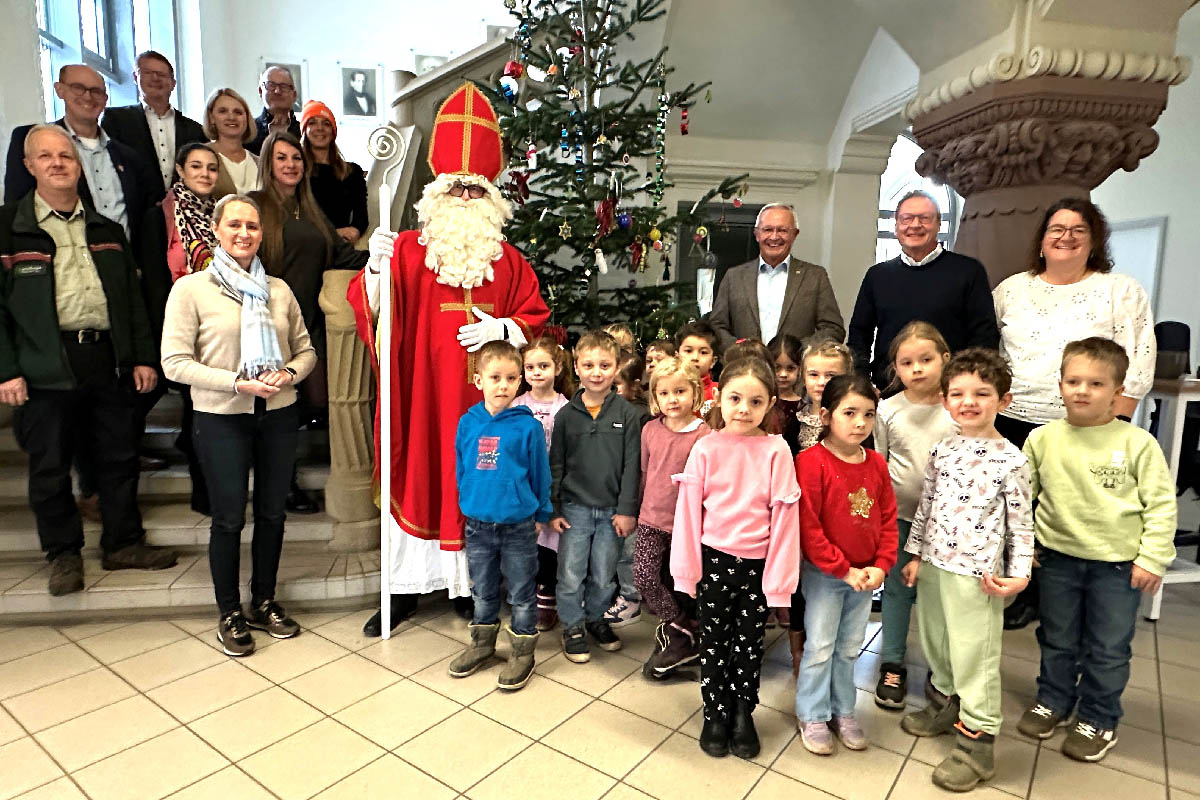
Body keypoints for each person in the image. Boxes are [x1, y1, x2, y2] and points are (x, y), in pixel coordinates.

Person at [347, 82, 549, 638]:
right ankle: (405, 590)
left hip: (484, 408)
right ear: (436, 190)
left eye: (474, 189)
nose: (464, 198)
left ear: (491, 197)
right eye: (455, 188)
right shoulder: (409, 249)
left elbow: (536, 316)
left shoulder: (507, 260)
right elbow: (373, 313)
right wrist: (374, 272)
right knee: (417, 472)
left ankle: (468, 588)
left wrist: (504, 327)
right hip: (421, 397)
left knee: (475, 486)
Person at [0, 124, 177, 595]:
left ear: (78, 166)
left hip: (105, 357)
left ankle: (123, 543)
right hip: (43, 365)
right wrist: (6, 370)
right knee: (50, 465)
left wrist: (141, 356)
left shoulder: (106, 229)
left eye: (66, 157)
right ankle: (62, 554)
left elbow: (132, 301)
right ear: (28, 165)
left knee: (118, 456)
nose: (58, 164)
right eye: (47, 157)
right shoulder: (8, 228)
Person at [161, 193, 316, 657]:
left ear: (260, 233)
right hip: (221, 417)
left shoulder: (280, 291)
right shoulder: (191, 290)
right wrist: (236, 382)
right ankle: (229, 611)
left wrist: (288, 373)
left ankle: (263, 600)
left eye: (252, 225)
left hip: (278, 416)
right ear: (217, 229)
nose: (244, 233)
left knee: (272, 514)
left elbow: (306, 351)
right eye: (234, 225)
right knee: (229, 519)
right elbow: (173, 363)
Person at [992, 198, 1156, 630]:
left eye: (1078, 229)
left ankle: (1056, 599)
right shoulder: (1011, 290)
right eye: (1056, 228)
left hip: (1086, 423)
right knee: (1015, 510)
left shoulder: (1120, 290)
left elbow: (1138, 357)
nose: (1066, 236)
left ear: (1094, 240)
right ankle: (1021, 589)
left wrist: (1117, 421)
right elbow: (990, 350)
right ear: (1042, 240)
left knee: (1067, 509)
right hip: (1013, 417)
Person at [1017, 338, 1176, 762]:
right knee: (1056, 637)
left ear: (1117, 391)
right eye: (1073, 381)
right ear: (1060, 384)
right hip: (1056, 559)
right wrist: (1024, 545)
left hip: (1117, 566)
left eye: (1095, 383)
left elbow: (1161, 506)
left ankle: (1099, 717)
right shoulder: (1042, 439)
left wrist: (1151, 558)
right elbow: (1021, 498)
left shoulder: (1138, 444)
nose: (1082, 390)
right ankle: (1053, 699)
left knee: (1106, 648)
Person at [899, 348, 1034, 793]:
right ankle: (944, 703)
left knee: (975, 655)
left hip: (978, 575)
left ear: (1004, 399)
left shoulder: (1011, 459)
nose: (968, 401)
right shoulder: (943, 449)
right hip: (936, 565)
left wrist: (1019, 573)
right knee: (937, 641)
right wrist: (916, 553)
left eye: (981, 392)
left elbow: (1020, 522)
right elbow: (927, 505)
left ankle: (977, 746)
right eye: (957, 393)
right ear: (944, 400)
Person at [671, 357, 801, 759]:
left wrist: (779, 583)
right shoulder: (706, 448)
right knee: (713, 642)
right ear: (718, 397)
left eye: (756, 401)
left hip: (758, 567)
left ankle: (744, 710)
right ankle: (716, 711)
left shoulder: (776, 450)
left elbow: (785, 518)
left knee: (749, 643)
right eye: (736, 399)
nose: (744, 409)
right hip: (714, 563)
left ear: (771, 404)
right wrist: (687, 572)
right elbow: (690, 513)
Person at [251, 130, 370, 509]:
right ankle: (279, 487)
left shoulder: (311, 209)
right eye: (281, 158)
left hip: (309, 320)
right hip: (268, 322)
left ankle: (282, 480)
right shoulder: (254, 206)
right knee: (277, 409)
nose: (290, 165)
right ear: (268, 162)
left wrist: (390, 255)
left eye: (296, 159)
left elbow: (342, 255)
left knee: (306, 403)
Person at [795, 373, 897, 756]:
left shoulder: (876, 463)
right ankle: (812, 712)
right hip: (826, 575)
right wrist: (843, 569)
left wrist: (882, 566)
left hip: (866, 576)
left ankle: (843, 709)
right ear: (826, 415)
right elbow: (810, 528)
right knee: (820, 646)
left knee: (850, 647)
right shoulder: (810, 463)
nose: (860, 423)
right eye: (849, 413)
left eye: (868, 415)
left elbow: (887, 519)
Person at [448, 340, 551, 690]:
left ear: (520, 381)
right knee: (483, 589)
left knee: (522, 591)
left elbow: (540, 473)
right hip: (477, 525)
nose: (503, 385)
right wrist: (468, 505)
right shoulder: (468, 423)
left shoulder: (528, 427)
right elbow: (462, 469)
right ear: (479, 381)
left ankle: (522, 650)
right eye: (495, 377)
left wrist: (542, 511)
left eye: (510, 378)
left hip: (519, 525)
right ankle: (481, 644)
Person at [870, 322, 956, 710]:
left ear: (945, 359)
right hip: (900, 518)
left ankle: (942, 672)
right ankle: (892, 662)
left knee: (940, 595)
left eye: (926, 359)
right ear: (895, 368)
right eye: (907, 362)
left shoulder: (958, 406)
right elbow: (880, 463)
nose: (917, 368)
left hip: (947, 523)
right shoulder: (888, 409)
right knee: (897, 591)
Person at [548, 330, 644, 661]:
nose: (596, 372)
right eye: (588, 364)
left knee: (604, 573)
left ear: (617, 367)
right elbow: (556, 465)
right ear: (576, 367)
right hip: (574, 509)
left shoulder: (628, 415)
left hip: (612, 511)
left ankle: (595, 619)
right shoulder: (565, 416)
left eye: (605, 364)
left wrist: (626, 509)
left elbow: (633, 466)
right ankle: (572, 624)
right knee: (571, 571)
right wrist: (555, 507)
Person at [138, 142, 221, 513]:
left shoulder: (220, 216)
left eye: (211, 168)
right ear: (180, 170)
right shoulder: (160, 218)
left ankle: (211, 490)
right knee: (195, 412)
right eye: (196, 166)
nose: (204, 174)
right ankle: (204, 495)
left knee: (208, 413)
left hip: (217, 327)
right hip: (180, 325)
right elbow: (155, 282)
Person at [847, 190, 999, 390]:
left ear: (938, 225)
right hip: (889, 389)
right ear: (896, 226)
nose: (915, 225)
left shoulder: (969, 271)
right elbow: (859, 334)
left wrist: (966, 384)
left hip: (949, 392)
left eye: (924, 218)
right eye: (907, 218)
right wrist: (862, 382)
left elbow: (984, 336)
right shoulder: (877, 275)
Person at [632, 356, 710, 678]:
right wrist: (636, 510)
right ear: (655, 397)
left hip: (686, 526)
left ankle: (684, 636)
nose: (672, 399)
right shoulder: (650, 430)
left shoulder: (704, 435)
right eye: (664, 393)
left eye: (680, 391)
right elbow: (643, 473)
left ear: (694, 392)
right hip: (651, 519)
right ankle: (678, 624)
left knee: (682, 582)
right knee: (645, 576)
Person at [786, 339, 854, 674]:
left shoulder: (852, 418)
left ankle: (831, 648)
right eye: (813, 373)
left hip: (838, 513)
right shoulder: (792, 415)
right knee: (798, 584)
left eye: (831, 374)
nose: (821, 381)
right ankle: (799, 651)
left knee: (831, 579)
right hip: (798, 512)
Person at [708, 203, 844, 354]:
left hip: (796, 372)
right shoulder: (734, 277)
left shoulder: (815, 277)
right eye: (767, 230)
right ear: (757, 234)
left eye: (782, 230)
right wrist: (741, 350)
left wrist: (794, 351)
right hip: (745, 371)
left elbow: (833, 329)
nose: (774, 237)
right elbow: (716, 327)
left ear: (795, 234)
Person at [513, 336, 574, 631]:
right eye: (530, 367)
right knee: (529, 543)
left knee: (551, 544)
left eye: (543, 366)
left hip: (554, 486)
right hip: (526, 487)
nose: (536, 372)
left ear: (558, 367)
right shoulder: (517, 405)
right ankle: (527, 592)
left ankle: (548, 593)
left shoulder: (567, 408)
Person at [101, 50, 207, 192]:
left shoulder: (195, 129)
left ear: (173, 83)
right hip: (133, 210)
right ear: (135, 77)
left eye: (162, 75)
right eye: (148, 73)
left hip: (181, 208)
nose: (155, 78)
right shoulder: (116, 119)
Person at [300, 100, 368, 245]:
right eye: (312, 123)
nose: (320, 128)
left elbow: (361, 215)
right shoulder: (296, 171)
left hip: (341, 245)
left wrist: (355, 230)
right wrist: (333, 233)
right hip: (308, 246)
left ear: (333, 131)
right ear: (304, 130)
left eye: (326, 123)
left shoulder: (352, 172)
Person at [204, 88, 259, 199]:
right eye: (223, 111)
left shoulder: (260, 162)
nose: (231, 117)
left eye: (238, 112)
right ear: (211, 117)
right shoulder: (200, 157)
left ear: (247, 118)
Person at [249, 66, 302, 155]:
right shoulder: (248, 131)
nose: (277, 91)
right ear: (260, 91)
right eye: (271, 85)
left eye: (284, 86)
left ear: (294, 95)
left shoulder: (304, 132)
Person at [768, 334, 804, 456]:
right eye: (777, 367)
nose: (783, 374)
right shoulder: (762, 402)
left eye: (790, 368)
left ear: (800, 368)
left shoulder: (803, 405)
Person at [675, 320, 720, 415]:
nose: (695, 358)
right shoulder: (668, 391)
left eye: (703, 352)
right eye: (688, 351)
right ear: (677, 356)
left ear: (713, 361)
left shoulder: (720, 392)